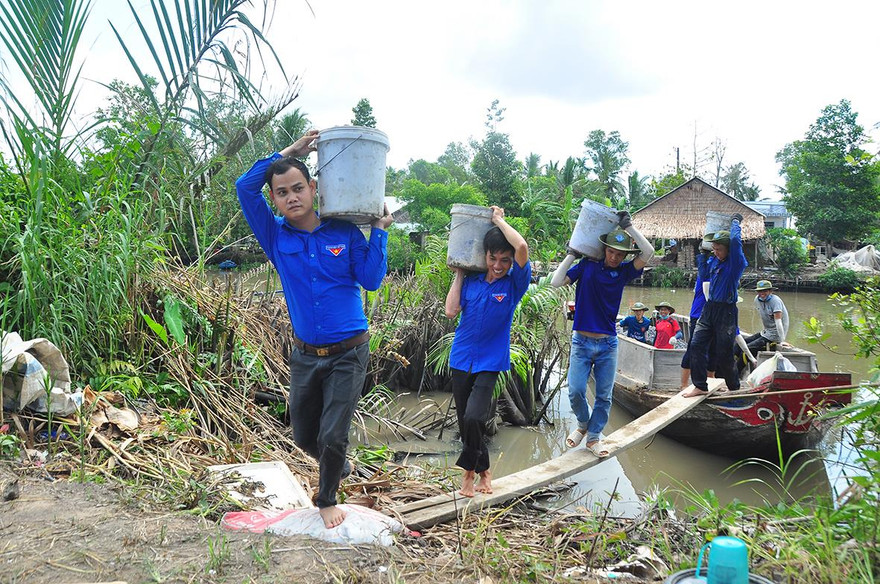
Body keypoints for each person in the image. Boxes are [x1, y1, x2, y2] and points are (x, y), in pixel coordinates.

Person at [235, 130, 393, 529]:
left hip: (349, 351)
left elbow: (371, 280)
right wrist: (289, 152)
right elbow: (243, 186)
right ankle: (339, 464)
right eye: (282, 192)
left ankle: (326, 499)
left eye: (298, 188)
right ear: (274, 199)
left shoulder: (344, 232)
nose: (291, 197)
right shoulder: (274, 235)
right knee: (305, 436)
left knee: (332, 434)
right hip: (305, 354)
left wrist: (381, 233)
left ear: (314, 187)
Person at [551, 211, 654, 457]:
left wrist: (628, 226)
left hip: (608, 344)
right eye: (611, 252)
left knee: (604, 396)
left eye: (620, 254)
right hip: (582, 342)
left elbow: (648, 253)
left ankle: (594, 438)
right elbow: (556, 282)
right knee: (575, 389)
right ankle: (584, 424)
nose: (615, 257)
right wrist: (572, 254)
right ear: (604, 249)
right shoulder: (587, 266)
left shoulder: (625, 272)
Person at [445, 206, 530, 497]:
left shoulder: (514, 286)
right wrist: (458, 274)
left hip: (490, 362)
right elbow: (450, 310)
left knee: (474, 418)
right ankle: (486, 472)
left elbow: (521, 246)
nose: (497, 265)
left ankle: (468, 474)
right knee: (465, 422)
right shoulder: (471, 283)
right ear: (484, 256)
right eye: (492, 258)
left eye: (504, 260)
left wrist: (498, 221)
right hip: (460, 359)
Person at [683, 214, 748, 398]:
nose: (716, 252)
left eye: (719, 249)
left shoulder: (735, 264)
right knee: (696, 345)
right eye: (714, 248)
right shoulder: (714, 261)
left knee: (724, 352)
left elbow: (735, 240)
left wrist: (735, 223)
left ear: (728, 250)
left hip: (726, 312)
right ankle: (700, 386)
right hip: (709, 309)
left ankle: (734, 387)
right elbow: (703, 275)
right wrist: (703, 256)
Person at [736, 280, 790, 373]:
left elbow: (779, 322)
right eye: (760, 291)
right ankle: (728, 370)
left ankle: (735, 374)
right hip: (766, 332)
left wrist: (781, 341)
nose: (762, 293)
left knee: (747, 349)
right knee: (738, 346)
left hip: (775, 335)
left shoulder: (775, 301)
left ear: (770, 291)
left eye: (765, 291)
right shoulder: (757, 300)